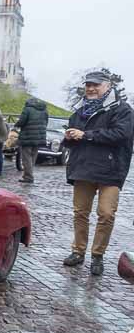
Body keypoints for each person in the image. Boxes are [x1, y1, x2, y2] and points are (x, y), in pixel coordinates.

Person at [61, 70, 134, 276]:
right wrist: (69, 136)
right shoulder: (79, 110)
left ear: (108, 86)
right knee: (80, 213)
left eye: (96, 85)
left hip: (111, 170)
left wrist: (86, 135)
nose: (91, 88)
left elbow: (121, 134)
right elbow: (74, 138)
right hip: (83, 167)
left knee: (106, 214)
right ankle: (78, 251)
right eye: (88, 85)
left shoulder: (122, 109)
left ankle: (97, 255)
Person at [14, 97, 48, 184]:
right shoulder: (44, 110)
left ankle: (28, 177)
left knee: (26, 158)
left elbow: (22, 121)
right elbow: (46, 122)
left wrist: (16, 124)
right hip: (39, 137)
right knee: (33, 157)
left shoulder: (27, 109)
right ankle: (28, 174)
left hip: (28, 136)